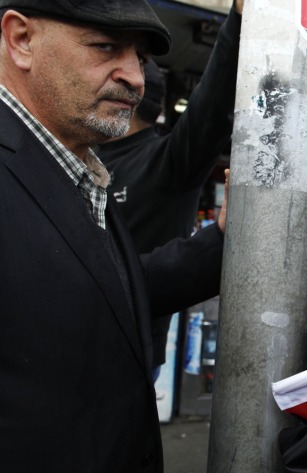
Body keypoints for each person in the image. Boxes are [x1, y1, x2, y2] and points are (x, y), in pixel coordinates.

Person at [0, 1, 226, 471]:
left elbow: (104, 295)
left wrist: (222, 240)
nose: (136, 79)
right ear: (21, 39)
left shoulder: (79, 167)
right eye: (106, 47)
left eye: (139, 57)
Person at [97, 0, 243, 378]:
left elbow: (211, 112)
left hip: (127, 351)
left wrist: (239, 21)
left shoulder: (165, 162)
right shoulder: (83, 159)